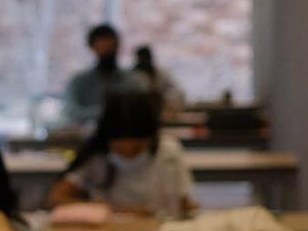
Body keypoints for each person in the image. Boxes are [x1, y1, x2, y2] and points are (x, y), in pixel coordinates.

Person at [47, 88, 197, 219]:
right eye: (119, 149)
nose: (128, 155)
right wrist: (114, 211)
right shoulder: (97, 155)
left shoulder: (168, 152)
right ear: (107, 140)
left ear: (151, 139)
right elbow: (55, 198)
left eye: (136, 149)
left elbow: (184, 202)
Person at [60, 23, 140, 128]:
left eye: (112, 45)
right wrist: (106, 112)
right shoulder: (78, 82)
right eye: (103, 45)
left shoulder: (131, 81)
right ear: (93, 48)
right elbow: (72, 113)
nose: (108, 50)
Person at [131, 43, 188, 120]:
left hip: (162, 115)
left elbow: (179, 92)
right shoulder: (132, 76)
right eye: (142, 58)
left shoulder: (161, 74)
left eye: (146, 58)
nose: (144, 61)